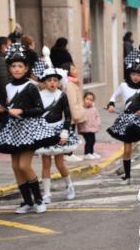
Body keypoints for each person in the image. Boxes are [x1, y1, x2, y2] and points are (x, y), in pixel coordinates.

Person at [0, 43, 59, 214]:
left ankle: (39, 200)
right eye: (13, 66)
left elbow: (40, 109)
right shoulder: (8, 87)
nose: (17, 69)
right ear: (9, 68)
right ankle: (27, 201)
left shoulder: (31, 86)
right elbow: (9, 108)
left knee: (24, 165)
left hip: (29, 130)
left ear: (26, 68)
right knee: (15, 166)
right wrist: (1, 111)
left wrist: (22, 111)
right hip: (13, 130)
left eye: (20, 66)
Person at [107, 57, 140, 184]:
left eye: (139, 75)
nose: (136, 77)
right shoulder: (123, 85)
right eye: (133, 74)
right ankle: (128, 177)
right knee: (127, 150)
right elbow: (113, 96)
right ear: (129, 74)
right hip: (126, 120)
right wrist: (111, 105)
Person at [35, 67, 79, 203]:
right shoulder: (40, 95)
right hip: (44, 131)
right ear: (44, 82)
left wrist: (65, 131)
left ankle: (69, 185)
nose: (52, 83)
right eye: (49, 80)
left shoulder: (62, 95)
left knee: (60, 163)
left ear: (59, 82)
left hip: (58, 131)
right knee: (46, 163)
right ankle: (47, 194)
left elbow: (67, 115)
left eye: (55, 80)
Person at [61, 62, 86, 162]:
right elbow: (71, 102)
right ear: (68, 72)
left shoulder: (72, 82)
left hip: (71, 113)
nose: (76, 71)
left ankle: (69, 153)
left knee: (70, 132)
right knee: (69, 132)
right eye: (73, 69)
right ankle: (68, 153)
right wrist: (75, 115)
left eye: (75, 68)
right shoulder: (70, 85)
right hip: (70, 114)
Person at [78, 91, 101, 160]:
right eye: (87, 99)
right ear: (83, 99)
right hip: (84, 128)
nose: (89, 101)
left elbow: (97, 116)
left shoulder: (94, 109)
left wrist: (98, 123)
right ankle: (87, 153)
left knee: (93, 140)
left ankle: (91, 152)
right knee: (88, 141)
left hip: (92, 128)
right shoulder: (81, 108)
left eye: (91, 100)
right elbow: (79, 117)